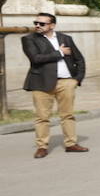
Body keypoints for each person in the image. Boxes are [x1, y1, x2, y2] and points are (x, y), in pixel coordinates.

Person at [23, 13, 88, 159]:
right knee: (42, 116)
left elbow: (79, 59)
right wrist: (59, 52)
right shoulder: (29, 39)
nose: (37, 26)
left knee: (68, 115)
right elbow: (36, 58)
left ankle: (71, 144)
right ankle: (42, 147)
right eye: (36, 23)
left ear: (52, 25)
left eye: (42, 24)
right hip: (41, 83)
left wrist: (77, 79)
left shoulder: (66, 38)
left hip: (66, 82)